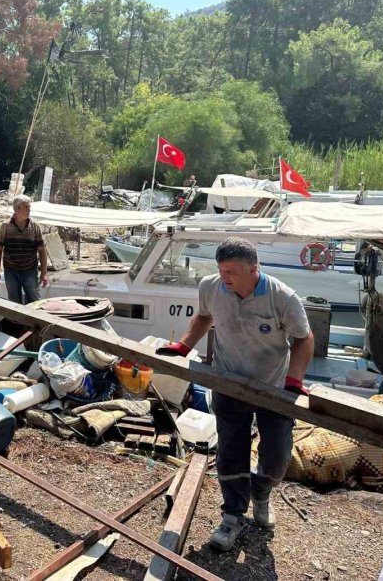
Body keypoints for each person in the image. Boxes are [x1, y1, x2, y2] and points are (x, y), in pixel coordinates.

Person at [156, 236, 313, 551]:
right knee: (230, 454)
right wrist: (184, 345)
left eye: (231, 271)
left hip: (273, 387)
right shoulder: (211, 287)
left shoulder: (283, 297)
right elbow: (203, 316)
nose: (224, 277)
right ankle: (232, 516)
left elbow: (304, 338)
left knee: (278, 459)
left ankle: (262, 491)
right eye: (221, 269)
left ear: (254, 269)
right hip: (228, 383)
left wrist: (294, 380)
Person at [0, 195, 48, 304]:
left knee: (34, 301)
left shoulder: (35, 226)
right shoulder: (5, 226)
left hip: (30, 270)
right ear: (17, 209)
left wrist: (44, 273)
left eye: (29, 207)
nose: (29, 210)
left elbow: (41, 250)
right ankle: (16, 321)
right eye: (26, 207)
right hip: (11, 271)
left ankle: (34, 321)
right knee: (14, 303)